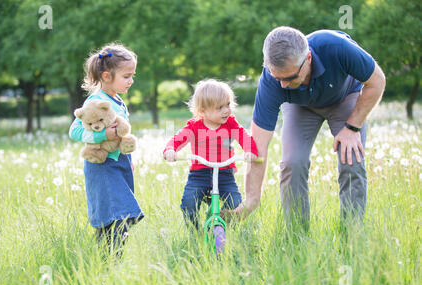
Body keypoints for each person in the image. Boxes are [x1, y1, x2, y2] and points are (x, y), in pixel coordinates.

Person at [237, 27, 386, 230]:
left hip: (345, 98)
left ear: (307, 58)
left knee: (351, 158)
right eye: (276, 77)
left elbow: (377, 81)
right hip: (300, 106)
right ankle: (297, 235)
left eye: (289, 78)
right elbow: (257, 146)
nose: (281, 85)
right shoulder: (273, 83)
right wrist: (251, 199)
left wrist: (352, 127)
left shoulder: (336, 47)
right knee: (292, 163)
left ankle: (353, 233)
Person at [69, 42, 143, 255]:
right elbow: (74, 130)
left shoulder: (118, 101)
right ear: (107, 76)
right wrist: (103, 135)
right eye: (126, 76)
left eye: (132, 75)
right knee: (114, 213)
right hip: (102, 167)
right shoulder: (96, 100)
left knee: (120, 213)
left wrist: (128, 158)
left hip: (119, 163)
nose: (131, 81)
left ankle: (112, 258)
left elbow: (121, 133)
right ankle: (107, 259)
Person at [163, 79, 259, 229]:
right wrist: (170, 150)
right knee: (189, 203)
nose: (226, 110)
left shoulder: (231, 124)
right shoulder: (194, 126)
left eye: (228, 105)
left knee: (235, 203)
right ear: (202, 111)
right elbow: (178, 138)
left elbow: (244, 137)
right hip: (199, 174)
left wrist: (249, 150)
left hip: (225, 174)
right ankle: (195, 232)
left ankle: (223, 226)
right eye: (220, 107)